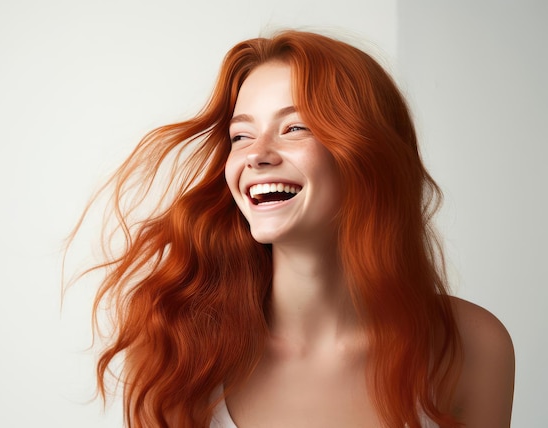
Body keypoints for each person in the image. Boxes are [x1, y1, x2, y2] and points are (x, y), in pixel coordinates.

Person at [73, 30, 515, 427]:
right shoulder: (175, 348)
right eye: (241, 136)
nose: (257, 155)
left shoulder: (472, 346)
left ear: (369, 154)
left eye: (294, 127)